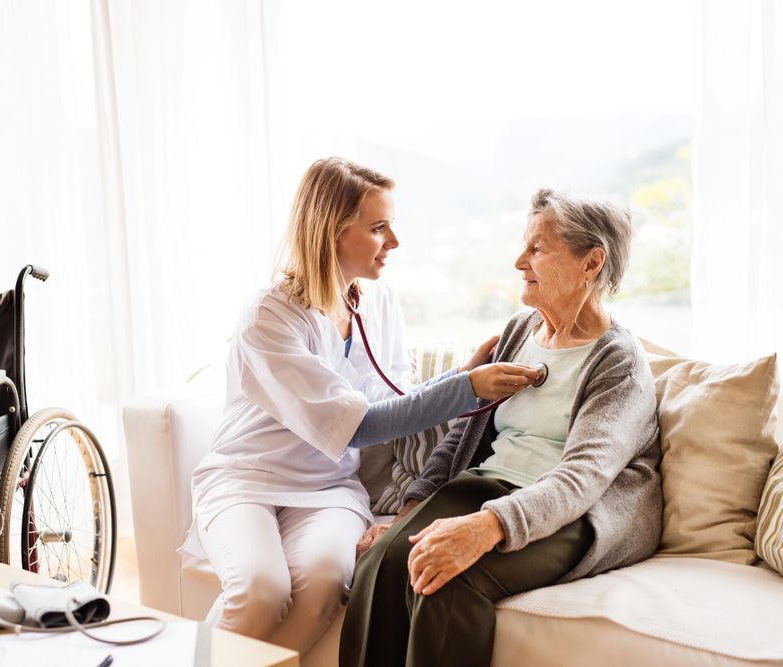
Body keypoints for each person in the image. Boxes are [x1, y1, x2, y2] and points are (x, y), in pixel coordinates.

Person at [185, 157, 539, 655]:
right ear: (331, 231)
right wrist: (468, 388)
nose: (394, 241)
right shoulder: (270, 317)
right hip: (248, 481)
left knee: (325, 582)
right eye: (378, 228)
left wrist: (461, 376)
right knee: (259, 590)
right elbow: (358, 426)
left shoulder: (375, 301)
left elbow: (396, 398)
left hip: (327, 488)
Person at [340, 189, 663, 667]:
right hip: (489, 488)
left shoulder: (618, 362)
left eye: (537, 248)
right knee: (383, 561)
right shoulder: (519, 331)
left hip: (574, 514)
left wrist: (487, 527)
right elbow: (463, 437)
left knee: (444, 577)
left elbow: (582, 479)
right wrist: (409, 511)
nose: (519, 261)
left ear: (591, 263)